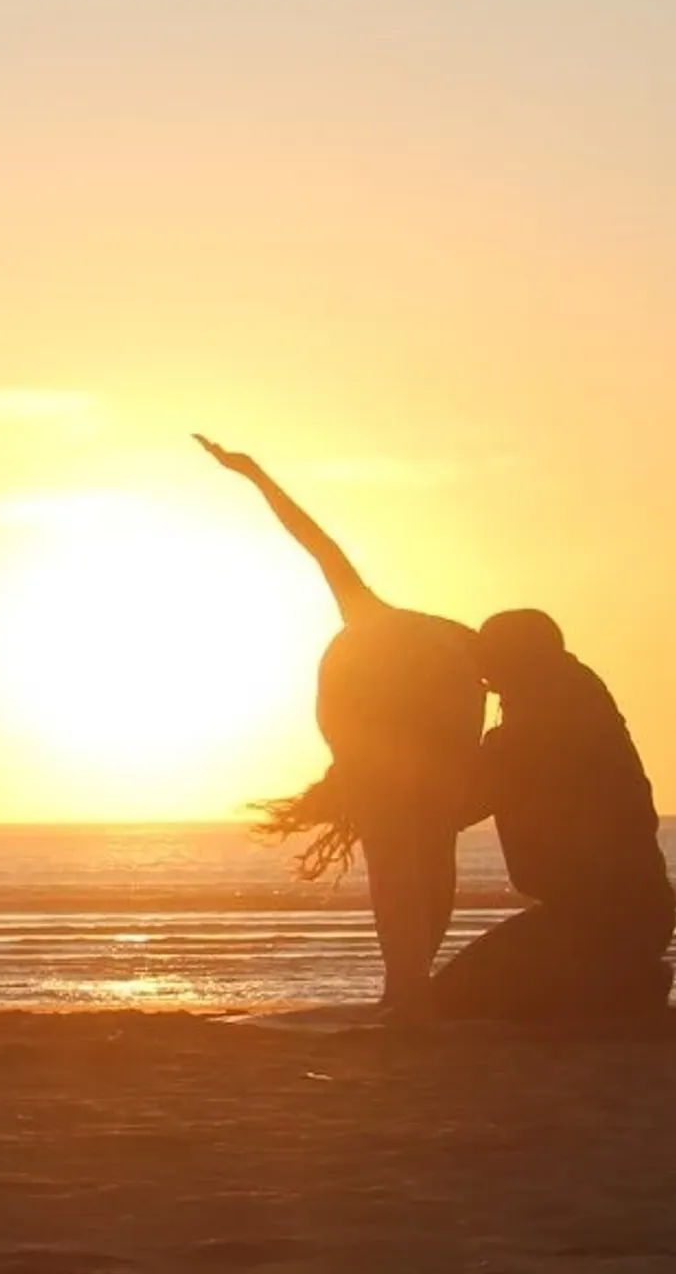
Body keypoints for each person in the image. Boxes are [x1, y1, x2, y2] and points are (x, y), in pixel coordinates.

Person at [195, 437, 486, 1019]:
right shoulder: (432, 642)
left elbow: (316, 544)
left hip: (412, 740)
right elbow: (318, 545)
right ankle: (410, 986)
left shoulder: (385, 632)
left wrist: (255, 475)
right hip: (429, 742)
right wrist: (255, 475)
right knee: (426, 861)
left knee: (407, 866)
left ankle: (407, 989)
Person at [431, 609, 675, 1018]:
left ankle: (624, 987)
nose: (487, 681)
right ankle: (626, 981)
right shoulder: (581, 703)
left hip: (595, 922)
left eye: (491, 666)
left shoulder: (528, 737)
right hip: (626, 915)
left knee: (450, 1005)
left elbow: (449, 810)